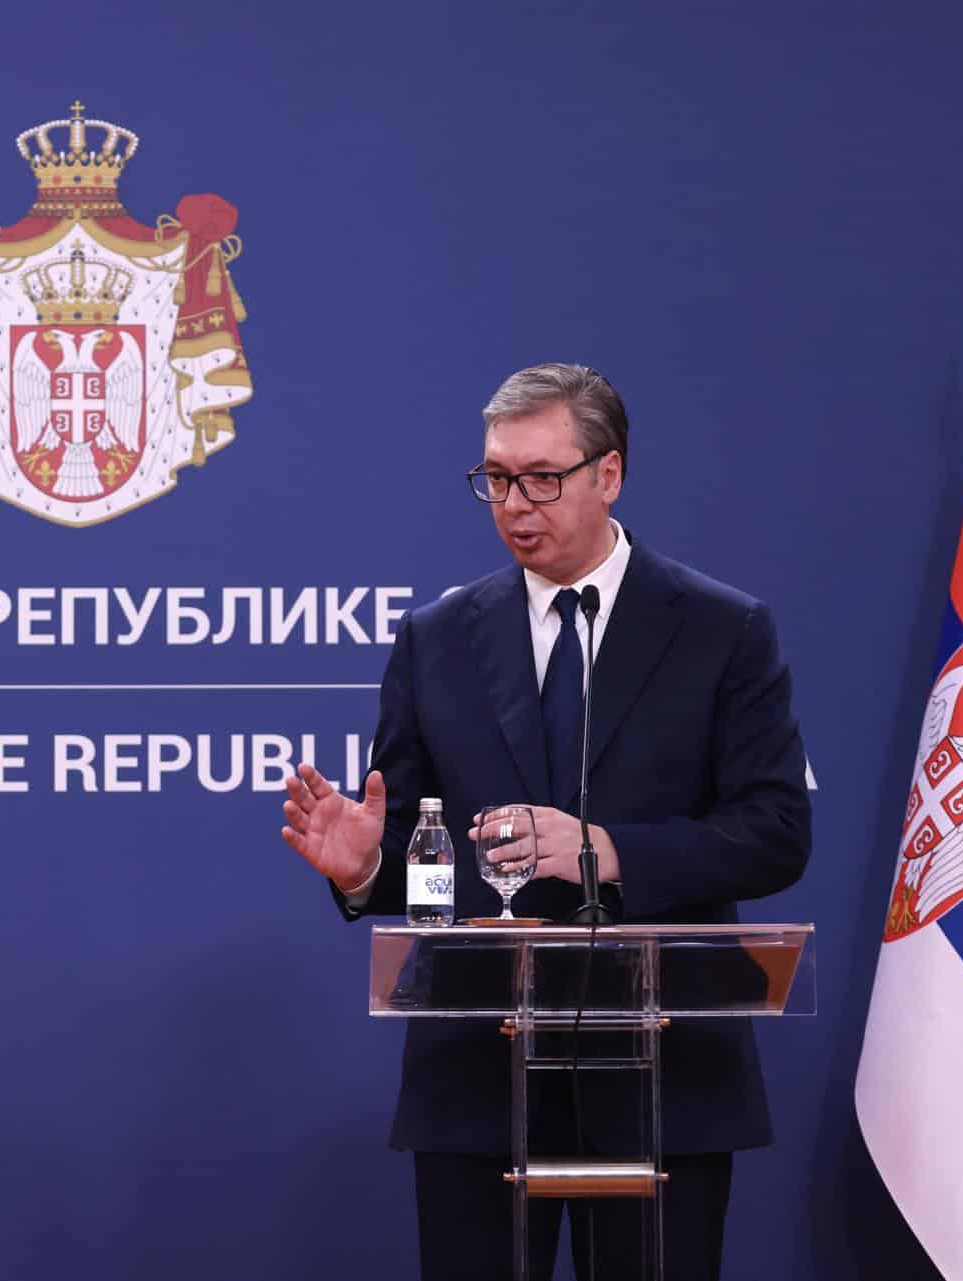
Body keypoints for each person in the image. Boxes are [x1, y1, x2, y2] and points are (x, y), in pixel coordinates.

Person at [279, 365, 810, 1280]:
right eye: (494, 477)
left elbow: (774, 832)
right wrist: (370, 868)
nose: (513, 503)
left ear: (609, 474)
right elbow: (424, 858)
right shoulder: (437, 640)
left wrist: (602, 850)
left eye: (541, 477)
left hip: (663, 1076)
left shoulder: (724, 630)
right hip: (479, 1081)